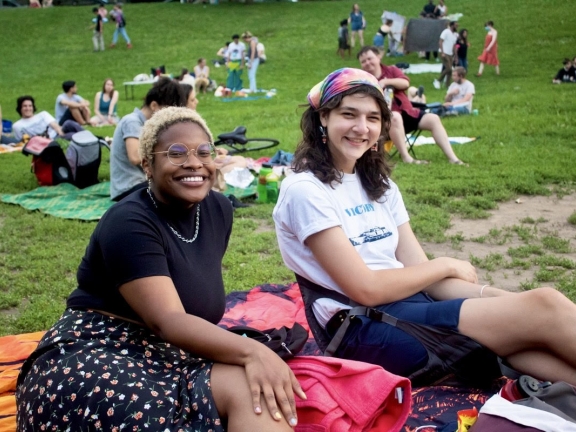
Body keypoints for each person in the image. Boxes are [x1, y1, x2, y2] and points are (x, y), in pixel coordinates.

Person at [273, 66, 576, 387]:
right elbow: (367, 288)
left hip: (410, 306)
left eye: (373, 118)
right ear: (323, 117)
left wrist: (495, 296)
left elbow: (422, 274)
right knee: (546, 305)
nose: (361, 128)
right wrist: (445, 264)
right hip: (362, 327)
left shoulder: (378, 184)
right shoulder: (305, 190)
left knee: (529, 333)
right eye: (349, 114)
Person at [16, 106, 306, 431]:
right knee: (250, 384)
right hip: (95, 354)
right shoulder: (128, 222)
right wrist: (254, 353)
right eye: (176, 152)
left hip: (169, 353)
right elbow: (168, 320)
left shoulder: (219, 210)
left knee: (258, 393)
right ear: (147, 166)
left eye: (204, 151)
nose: (194, 162)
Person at [358, 46, 466, 165]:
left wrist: (386, 82)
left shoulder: (392, 70)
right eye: (363, 61)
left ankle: (453, 158)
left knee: (433, 119)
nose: (367, 63)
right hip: (384, 122)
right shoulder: (363, 80)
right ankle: (406, 157)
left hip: (407, 112)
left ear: (378, 57)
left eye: (369, 58)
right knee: (394, 117)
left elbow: (405, 83)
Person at [110, 78, 187, 201]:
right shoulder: (132, 121)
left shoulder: (152, 126)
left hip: (144, 183)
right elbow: (135, 157)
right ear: (154, 106)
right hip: (128, 187)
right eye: (168, 113)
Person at [14, 95, 84, 142]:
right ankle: (88, 139)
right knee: (73, 135)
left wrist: (61, 133)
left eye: (30, 106)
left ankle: (88, 136)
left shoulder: (42, 114)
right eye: (25, 106)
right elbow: (23, 142)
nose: (28, 108)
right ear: (20, 108)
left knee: (68, 123)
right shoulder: (17, 125)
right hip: (51, 140)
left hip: (58, 133)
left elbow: (55, 125)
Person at [433, 21, 459, 89]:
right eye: (456, 25)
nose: (457, 27)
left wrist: (456, 56)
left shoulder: (455, 35)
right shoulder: (446, 31)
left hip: (450, 54)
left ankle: (448, 85)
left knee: (450, 71)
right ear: (452, 25)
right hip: (444, 53)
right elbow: (440, 41)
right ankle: (438, 81)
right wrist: (442, 52)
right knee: (449, 69)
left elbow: (454, 46)